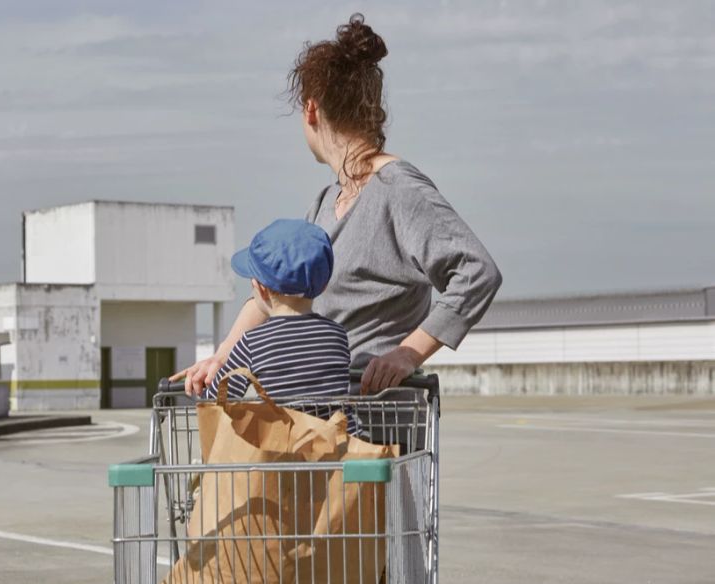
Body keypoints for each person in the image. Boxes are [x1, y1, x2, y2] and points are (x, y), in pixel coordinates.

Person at [175, 13, 502, 397]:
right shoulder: (325, 202)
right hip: (319, 423)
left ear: (311, 110)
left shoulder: (399, 190)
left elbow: (477, 272)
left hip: (378, 423)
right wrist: (222, 358)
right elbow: (271, 297)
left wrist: (408, 353)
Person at [199, 219, 363, 434]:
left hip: (284, 456)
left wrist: (203, 388)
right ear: (323, 286)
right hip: (338, 454)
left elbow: (217, 402)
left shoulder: (252, 342)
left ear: (261, 289)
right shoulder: (337, 335)